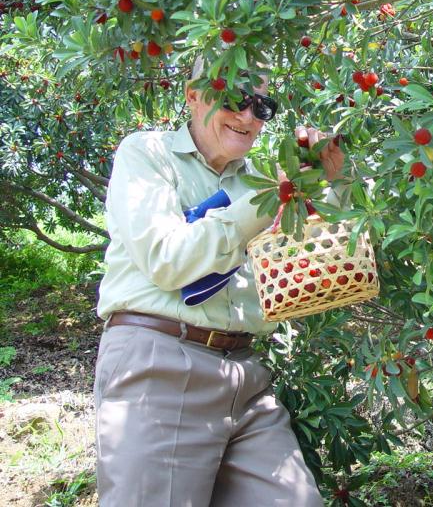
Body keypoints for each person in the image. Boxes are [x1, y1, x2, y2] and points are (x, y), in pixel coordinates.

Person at [94, 60, 345, 506]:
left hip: (244, 373)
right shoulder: (147, 153)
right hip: (159, 365)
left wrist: (330, 180)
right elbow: (165, 260)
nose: (248, 116)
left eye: (262, 106)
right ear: (193, 94)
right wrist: (268, 202)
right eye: (234, 99)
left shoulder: (262, 180)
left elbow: (320, 260)